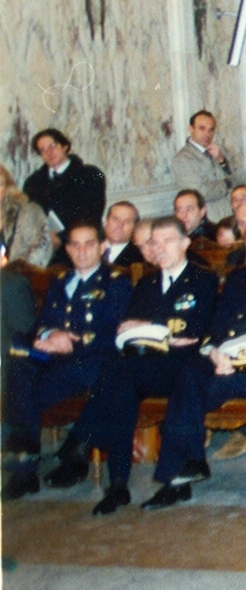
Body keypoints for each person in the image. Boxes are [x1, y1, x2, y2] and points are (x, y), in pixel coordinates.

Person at [45, 217, 219, 515]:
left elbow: (195, 330)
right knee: (121, 387)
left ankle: (80, 440)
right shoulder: (147, 283)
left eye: (168, 241)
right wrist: (154, 330)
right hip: (146, 364)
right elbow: (127, 328)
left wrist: (151, 327)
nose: (160, 249)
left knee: (117, 372)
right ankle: (118, 486)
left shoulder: (203, 279)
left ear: (185, 243)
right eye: (154, 243)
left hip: (185, 366)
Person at [141, 221, 246, 511]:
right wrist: (215, 352)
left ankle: (178, 479)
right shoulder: (238, 278)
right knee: (187, 374)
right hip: (224, 358)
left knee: (186, 396)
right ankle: (188, 466)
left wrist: (241, 358)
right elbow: (217, 324)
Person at [2, 222, 131, 499]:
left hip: (93, 358)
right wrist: (49, 334)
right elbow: (42, 322)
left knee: (25, 395)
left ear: (102, 247)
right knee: (19, 366)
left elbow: (113, 331)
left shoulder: (116, 282)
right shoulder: (60, 281)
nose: (82, 251)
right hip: (55, 355)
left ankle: (54, 458)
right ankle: (25, 472)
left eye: (89, 244)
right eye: (75, 244)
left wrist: (72, 341)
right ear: (68, 249)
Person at [23, 128, 106, 231]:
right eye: (43, 150)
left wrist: (62, 236)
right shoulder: (33, 183)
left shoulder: (90, 175)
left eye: (53, 146)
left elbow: (93, 213)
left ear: (65, 146)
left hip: (82, 236)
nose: (49, 152)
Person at [171, 110, 245, 206]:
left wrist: (223, 162)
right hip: (209, 213)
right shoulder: (182, 159)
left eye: (211, 129)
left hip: (232, 210)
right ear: (191, 129)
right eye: (202, 128)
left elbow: (243, 179)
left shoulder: (221, 151)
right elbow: (200, 194)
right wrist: (228, 183)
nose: (207, 134)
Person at [0, 164, 54, 266]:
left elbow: (41, 248)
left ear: (7, 187)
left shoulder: (27, 212)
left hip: (21, 273)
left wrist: (12, 269)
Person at [98, 201, 144, 267]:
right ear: (106, 222)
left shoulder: (140, 260)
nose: (120, 225)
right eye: (115, 219)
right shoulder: (90, 247)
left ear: (134, 228)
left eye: (127, 221)